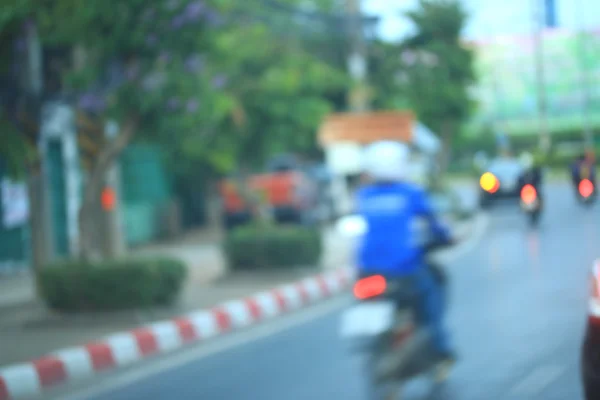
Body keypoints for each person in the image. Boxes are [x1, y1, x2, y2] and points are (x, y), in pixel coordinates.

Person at [355, 140, 455, 364]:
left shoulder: (364, 196)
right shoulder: (411, 193)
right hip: (406, 270)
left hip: (366, 272)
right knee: (432, 303)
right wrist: (446, 236)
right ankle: (442, 349)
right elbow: (434, 224)